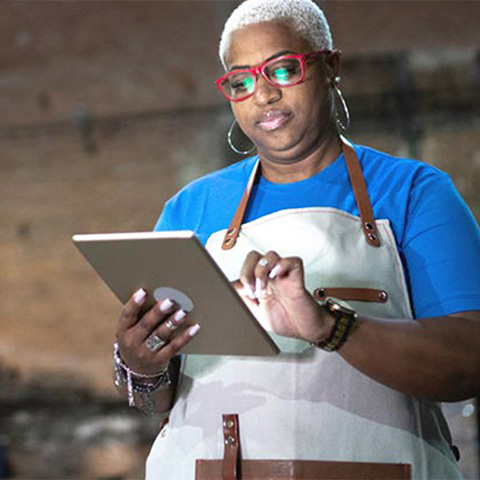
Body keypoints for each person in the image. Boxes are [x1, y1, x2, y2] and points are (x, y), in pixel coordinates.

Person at [113, 0, 480, 478]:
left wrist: (331, 327)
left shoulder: (415, 193)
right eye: (241, 81)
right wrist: (141, 364)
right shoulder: (191, 208)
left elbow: (468, 362)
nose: (262, 94)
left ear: (330, 67)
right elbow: (157, 397)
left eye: (282, 69)